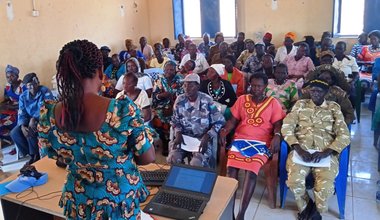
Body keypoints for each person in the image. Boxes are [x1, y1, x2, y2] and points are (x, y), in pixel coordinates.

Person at [38, 39, 155, 219]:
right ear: (101, 72)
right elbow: (148, 157)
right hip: (119, 204)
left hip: (79, 201)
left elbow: (57, 156)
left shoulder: (50, 114)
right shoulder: (121, 110)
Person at [219, 73, 285, 220]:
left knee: (251, 169)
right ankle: (230, 211)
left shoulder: (273, 102)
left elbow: (277, 124)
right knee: (231, 168)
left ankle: (241, 214)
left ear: (265, 87)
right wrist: (225, 131)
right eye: (253, 85)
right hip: (241, 139)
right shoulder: (242, 99)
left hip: (261, 142)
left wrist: (277, 135)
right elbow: (232, 120)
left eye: (259, 86)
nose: (255, 89)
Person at [282, 79, 350, 220]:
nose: (315, 94)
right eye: (312, 90)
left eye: (319, 91)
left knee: (325, 188)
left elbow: (344, 135)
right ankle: (306, 207)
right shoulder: (300, 105)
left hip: (325, 153)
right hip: (302, 151)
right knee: (294, 181)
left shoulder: (333, 108)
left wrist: (327, 152)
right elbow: (287, 127)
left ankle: (317, 211)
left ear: (326, 92)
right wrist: (298, 148)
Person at [168, 73, 225, 168]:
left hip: (202, 140)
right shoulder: (180, 100)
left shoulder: (207, 100)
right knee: (173, 158)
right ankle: (179, 178)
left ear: (198, 86)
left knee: (196, 164)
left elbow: (219, 121)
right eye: (185, 85)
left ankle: (196, 181)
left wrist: (208, 136)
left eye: (190, 85)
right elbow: (175, 120)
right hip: (183, 138)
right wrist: (177, 133)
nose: (186, 88)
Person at [11, 72, 53, 164]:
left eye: (34, 84)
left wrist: (34, 119)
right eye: (29, 86)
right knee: (15, 133)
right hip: (29, 120)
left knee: (32, 129)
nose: (32, 87)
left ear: (37, 83)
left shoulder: (45, 91)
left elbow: (48, 108)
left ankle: (36, 156)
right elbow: (22, 112)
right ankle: (31, 154)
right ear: (26, 86)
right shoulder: (23, 96)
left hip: (44, 119)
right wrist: (22, 126)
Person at [152, 61, 184, 156]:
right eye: (167, 69)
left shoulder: (180, 80)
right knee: (158, 118)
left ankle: (175, 141)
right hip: (161, 106)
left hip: (176, 106)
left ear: (175, 70)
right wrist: (161, 95)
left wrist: (172, 107)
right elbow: (154, 96)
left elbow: (182, 96)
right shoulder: (159, 79)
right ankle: (165, 142)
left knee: (176, 117)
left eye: (171, 69)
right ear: (163, 70)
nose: (169, 71)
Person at [0, 65, 26, 145]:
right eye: (7, 77)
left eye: (12, 76)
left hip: (22, 111)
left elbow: (26, 103)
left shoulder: (24, 87)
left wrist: (11, 107)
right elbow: (7, 99)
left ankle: (18, 141)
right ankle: (11, 140)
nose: (10, 79)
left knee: (12, 120)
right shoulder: (7, 87)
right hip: (12, 110)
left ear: (17, 76)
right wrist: (3, 105)